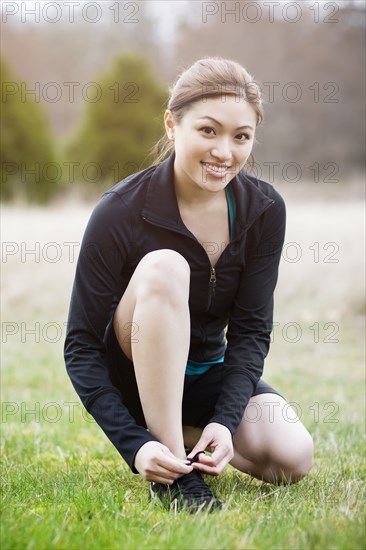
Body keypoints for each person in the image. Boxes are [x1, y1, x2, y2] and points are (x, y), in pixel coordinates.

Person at [64, 57, 314, 513]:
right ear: (172, 125)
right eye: (208, 130)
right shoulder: (120, 210)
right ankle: (173, 468)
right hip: (133, 383)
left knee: (292, 459)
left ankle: (191, 433)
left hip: (205, 374)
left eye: (241, 136)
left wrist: (225, 419)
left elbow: (251, 331)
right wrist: (134, 445)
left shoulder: (264, 210)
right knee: (165, 267)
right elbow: (80, 346)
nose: (224, 152)